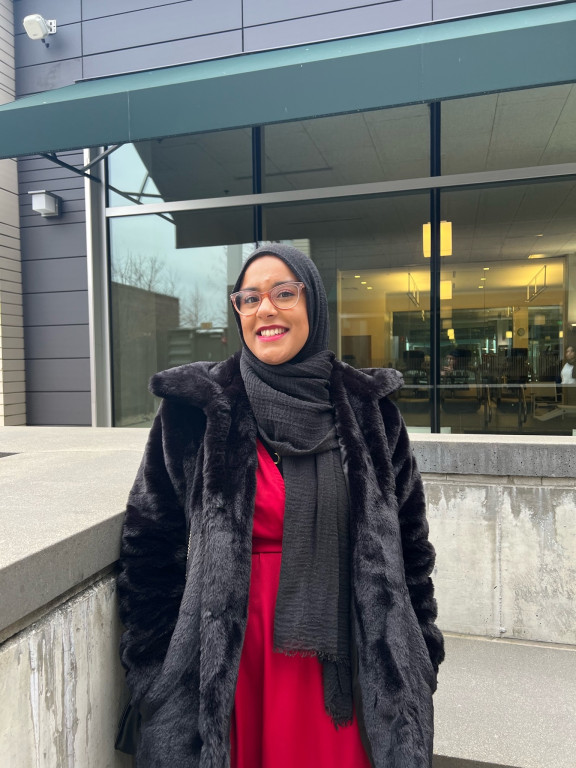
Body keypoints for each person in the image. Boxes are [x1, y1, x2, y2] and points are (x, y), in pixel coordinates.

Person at [117, 243, 444, 768]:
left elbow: (411, 548)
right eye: (249, 299)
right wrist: (154, 669)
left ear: (313, 304)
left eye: (283, 293)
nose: (265, 309)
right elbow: (149, 547)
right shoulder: (197, 410)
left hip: (351, 669)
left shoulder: (371, 413)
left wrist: (421, 654)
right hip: (232, 668)